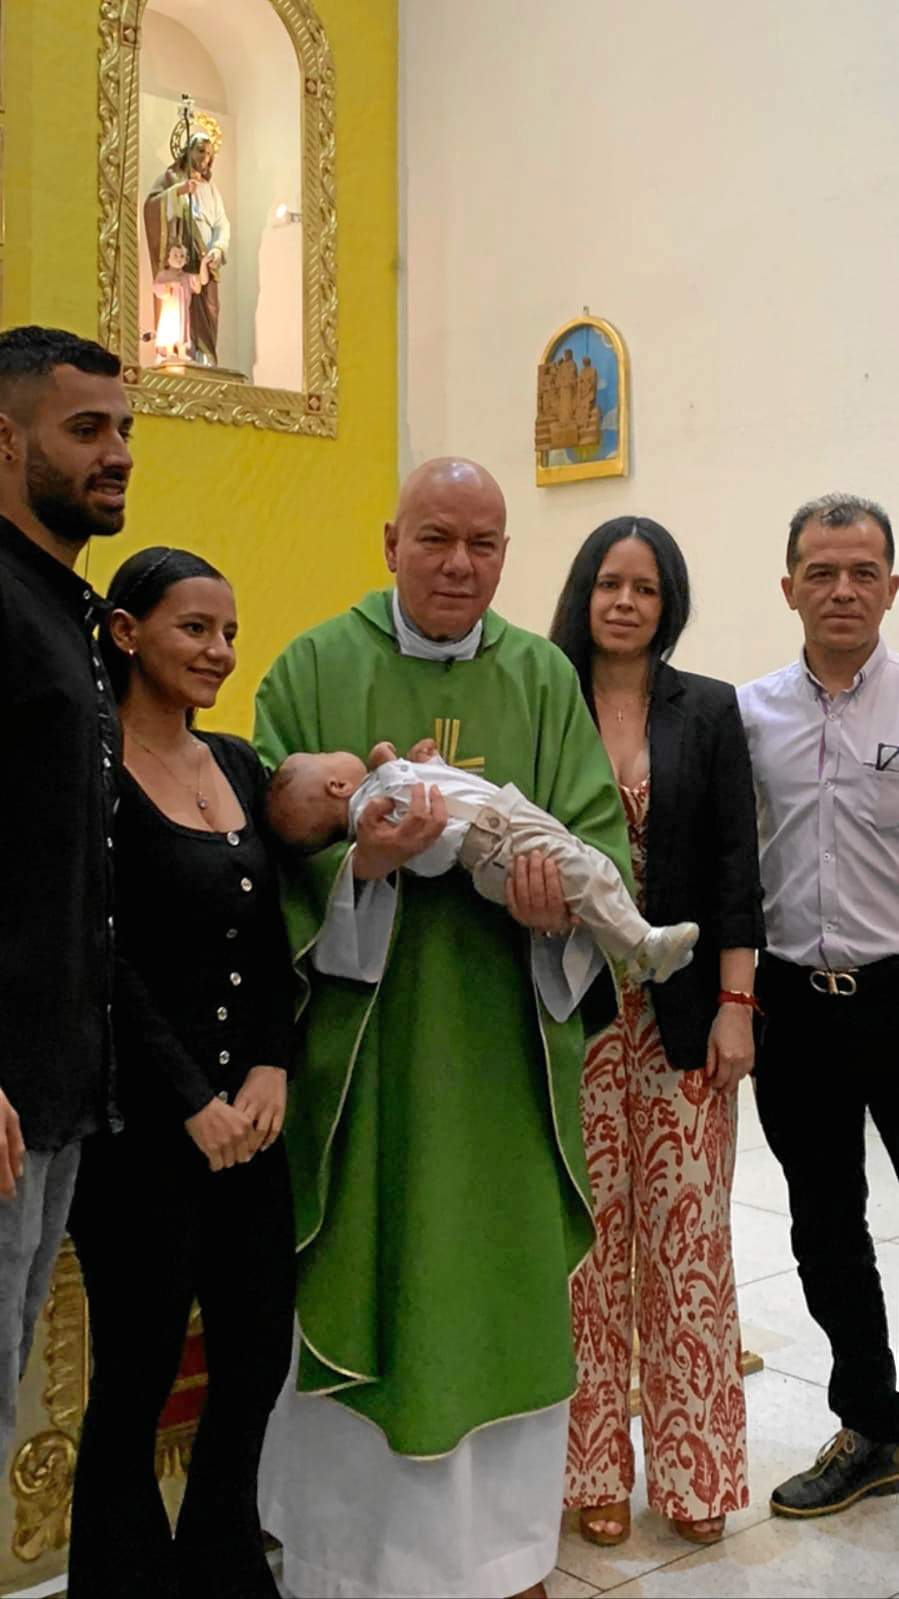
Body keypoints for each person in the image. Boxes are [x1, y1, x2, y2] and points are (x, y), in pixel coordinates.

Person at [254, 456, 632, 1599]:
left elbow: (598, 846)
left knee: (496, 1294)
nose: (458, 565)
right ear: (389, 543)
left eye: (482, 543)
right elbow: (261, 860)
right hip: (364, 1067)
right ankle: (345, 1563)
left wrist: (558, 907)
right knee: (367, 1276)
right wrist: (361, 868)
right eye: (434, 538)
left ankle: (504, 1558)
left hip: (502, 1056)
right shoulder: (310, 667)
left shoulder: (543, 678)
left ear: (505, 555)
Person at [65, 547, 297, 1599]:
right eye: (194, 628)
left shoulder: (238, 763)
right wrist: (190, 1099)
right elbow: (99, 954)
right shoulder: (89, 769)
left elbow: (272, 928)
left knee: (254, 1358)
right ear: (125, 633)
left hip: (251, 1126)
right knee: (139, 1373)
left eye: (229, 632)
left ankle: (220, 1563)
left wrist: (271, 1061)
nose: (219, 651)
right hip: (144, 1134)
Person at [550, 516, 764, 1548]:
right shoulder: (543, 697)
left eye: (643, 587)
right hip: (575, 1016)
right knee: (588, 1251)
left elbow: (735, 868)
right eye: (608, 583)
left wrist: (735, 1003)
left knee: (687, 1244)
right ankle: (590, 1469)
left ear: (667, 601)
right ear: (583, 594)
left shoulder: (708, 710)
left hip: (682, 1018)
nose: (624, 602)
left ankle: (695, 1471)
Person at [738, 492, 899, 1517]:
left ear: (891, 587)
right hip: (793, 1005)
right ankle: (872, 1424)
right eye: (820, 572)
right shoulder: (745, 715)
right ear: (788, 586)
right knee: (824, 1223)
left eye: (861, 572)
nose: (841, 589)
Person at [0, 324, 132, 1470]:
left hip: (53, 1089)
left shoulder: (68, 614)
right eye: (85, 429)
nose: (118, 453)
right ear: (6, 441)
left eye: (123, 429)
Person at [268, 737, 698, 982]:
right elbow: (414, 805)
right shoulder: (373, 802)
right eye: (322, 757)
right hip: (493, 841)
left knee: (591, 864)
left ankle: (636, 943)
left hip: (502, 822)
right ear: (337, 786)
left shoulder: (543, 671)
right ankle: (641, 946)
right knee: (578, 871)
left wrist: (431, 764)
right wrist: (362, 863)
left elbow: (443, 793)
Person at [145, 129, 230, 365]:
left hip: (206, 259)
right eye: (200, 151)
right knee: (181, 305)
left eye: (209, 154)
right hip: (183, 258)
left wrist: (218, 248)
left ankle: (206, 357)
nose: (205, 158)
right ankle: (182, 351)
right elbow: (152, 206)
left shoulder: (211, 189)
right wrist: (179, 191)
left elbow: (222, 223)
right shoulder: (171, 178)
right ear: (187, 151)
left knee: (210, 308)